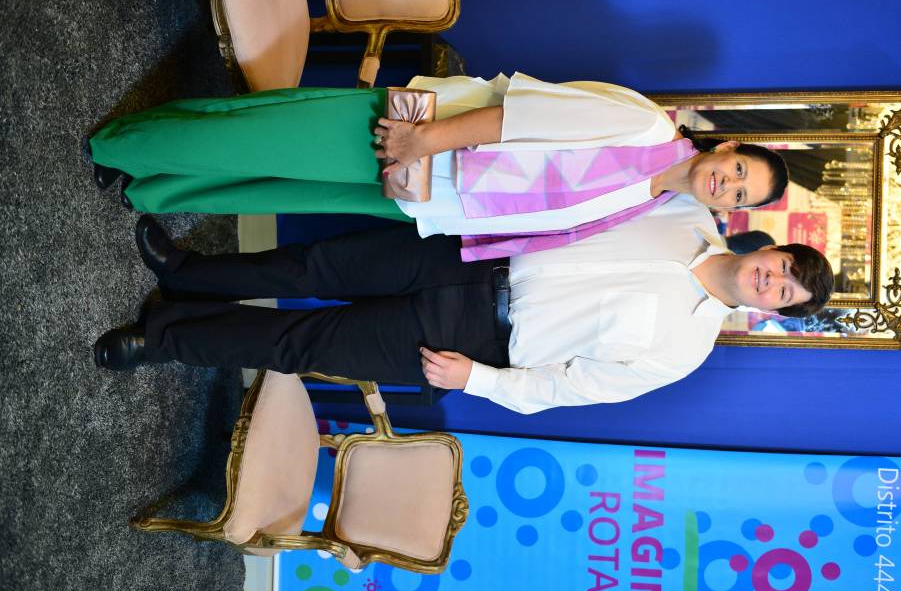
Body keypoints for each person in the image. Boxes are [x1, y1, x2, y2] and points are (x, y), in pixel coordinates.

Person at [94, 199, 834, 414]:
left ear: (773, 312)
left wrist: (476, 380)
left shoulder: (684, 351)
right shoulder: (683, 212)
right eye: (782, 268)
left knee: (303, 343)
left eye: (784, 293)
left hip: (476, 337)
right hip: (474, 254)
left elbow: (569, 387)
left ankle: (165, 338)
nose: (771, 281)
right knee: (312, 263)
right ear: (771, 248)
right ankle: (188, 272)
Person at [87, 74, 789, 246]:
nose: (727, 185)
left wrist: (439, 212)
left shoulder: (647, 202)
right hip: (426, 138)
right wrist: (422, 141)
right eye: (738, 171)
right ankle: (122, 146)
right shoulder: (644, 126)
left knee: (275, 187)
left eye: (739, 196)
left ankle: (152, 189)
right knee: (259, 138)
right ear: (727, 148)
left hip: (433, 200)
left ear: (727, 211)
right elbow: (524, 114)